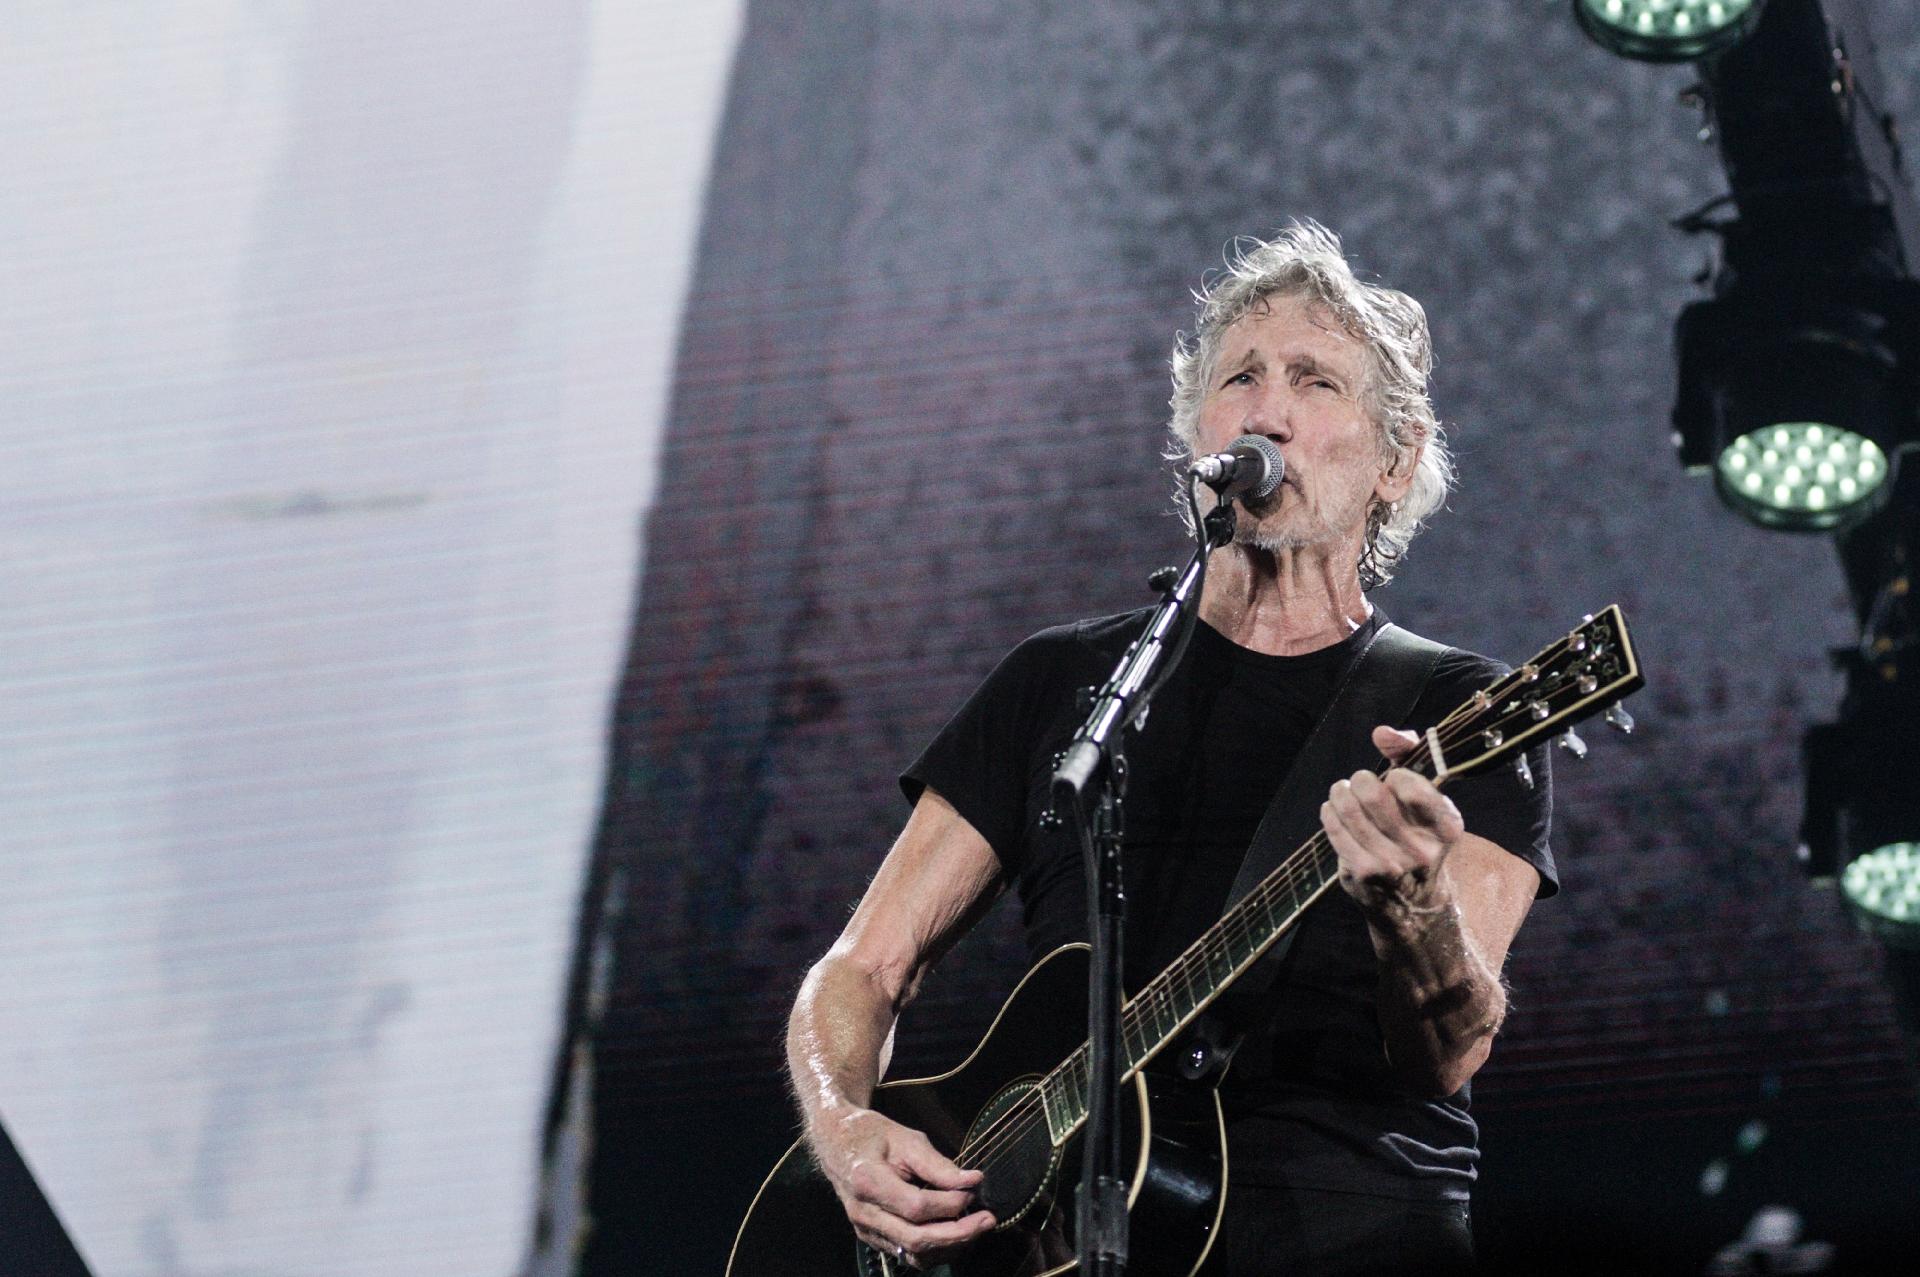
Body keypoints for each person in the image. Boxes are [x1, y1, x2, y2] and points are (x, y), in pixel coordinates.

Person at [783, 222, 1554, 1276]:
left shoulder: (1454, 708)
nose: (1267, 408)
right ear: (1198, 427)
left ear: (1396, 457)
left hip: (1348, 1234)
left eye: (1315, 381)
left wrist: (1413, 908)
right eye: (1240, 375)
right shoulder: (1065, 684)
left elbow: (1452, 1046)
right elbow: (862, 965)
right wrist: (843, 1125)